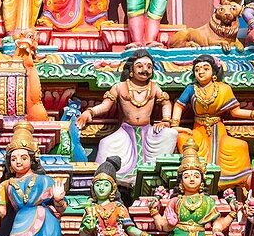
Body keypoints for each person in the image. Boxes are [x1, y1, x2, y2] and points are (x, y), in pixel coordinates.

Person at [171, 55, 254, 190]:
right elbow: (179, 105)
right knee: (183, 139)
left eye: (205, 68)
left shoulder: (223, 88)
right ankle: (194, 178)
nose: (201, 72)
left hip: (218, 130)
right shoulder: (191, 89)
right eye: (197, 69)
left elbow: (235, 112)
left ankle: (242, 182)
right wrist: (174, 126)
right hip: (199, 130)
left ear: (213, 72)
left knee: (239, 146)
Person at [77, 54, 179, 187]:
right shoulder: (120, 87)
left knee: (171, 134)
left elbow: (166, 103)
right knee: (105, 144)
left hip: (148, 132)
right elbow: (105, 106)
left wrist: (166, 120)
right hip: (125, 131)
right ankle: (105, 178)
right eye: (140, 66)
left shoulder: (154, 87)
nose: (145, 70)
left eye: (149, 67)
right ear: (131, 70)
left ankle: (153, 170)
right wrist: (89, 112)